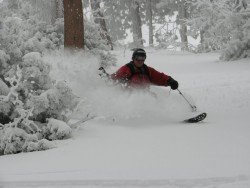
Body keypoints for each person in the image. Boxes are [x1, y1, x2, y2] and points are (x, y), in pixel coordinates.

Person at [110, 48, 179, 90]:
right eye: (138, 58)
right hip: (129, 98)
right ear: (133, 58)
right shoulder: (126, 69)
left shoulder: (147, 70)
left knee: (154, 98)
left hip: (146, 97)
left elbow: (159, 77)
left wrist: (170, 81)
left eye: (142, 58)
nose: (140, 61)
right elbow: (113, 79)